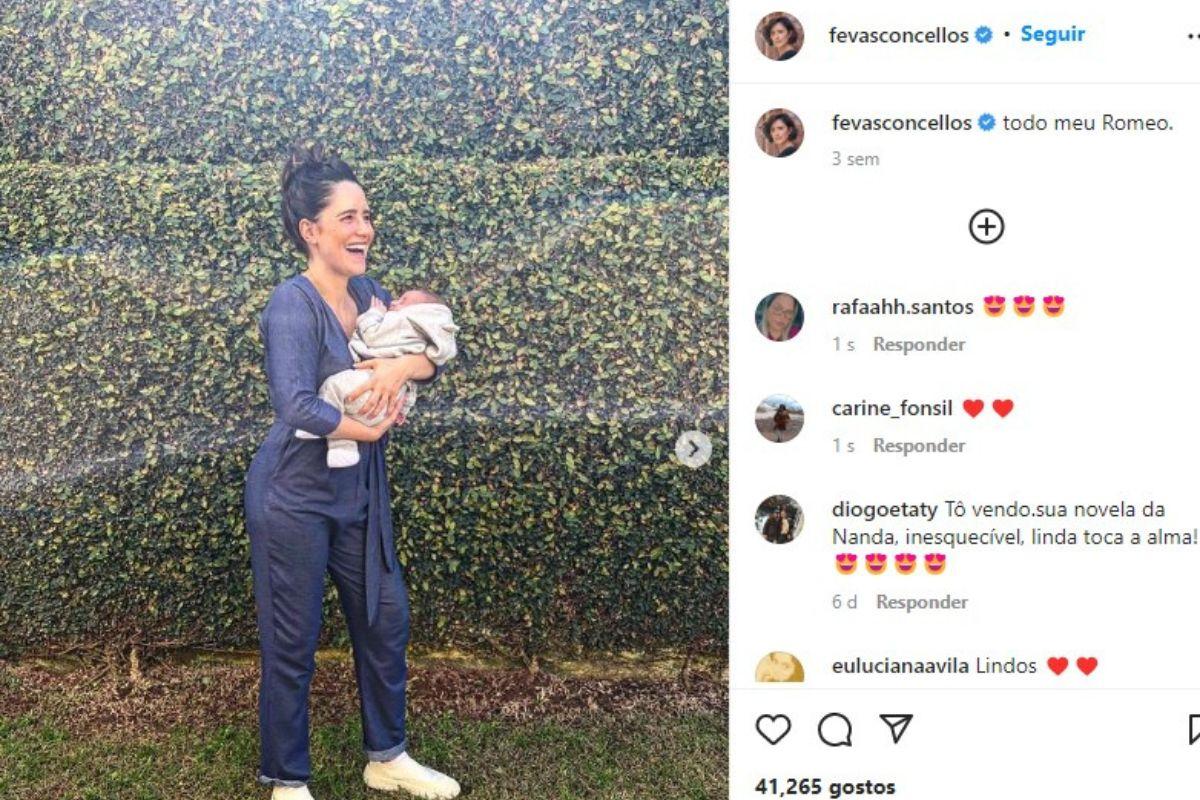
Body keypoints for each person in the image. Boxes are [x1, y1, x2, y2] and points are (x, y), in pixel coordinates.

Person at [244, 142, 461, 800]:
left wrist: (402, 368)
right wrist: (366, 428)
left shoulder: (369, 293)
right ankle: (288, 782)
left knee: (385, 619)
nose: (364, 228)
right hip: (294, 495)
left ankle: (386, 757)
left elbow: (428, 344)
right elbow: (295, 405)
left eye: (366, 215)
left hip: (359, 490)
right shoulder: (292, 303)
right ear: (311, 231)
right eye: (347, 217)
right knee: (293, 641)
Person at [295, 289, 460, 468]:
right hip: (386, 408)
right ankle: (343, 449)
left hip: (366, 389)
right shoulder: (423, 336)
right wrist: (402, 410)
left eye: (403, 300)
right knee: (346, 412)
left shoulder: (401, 321)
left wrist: (374, 314)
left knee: (333, 387)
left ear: (422, 312)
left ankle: (318, 424)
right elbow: (411, 383)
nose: (394, 302)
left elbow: (373, 335)